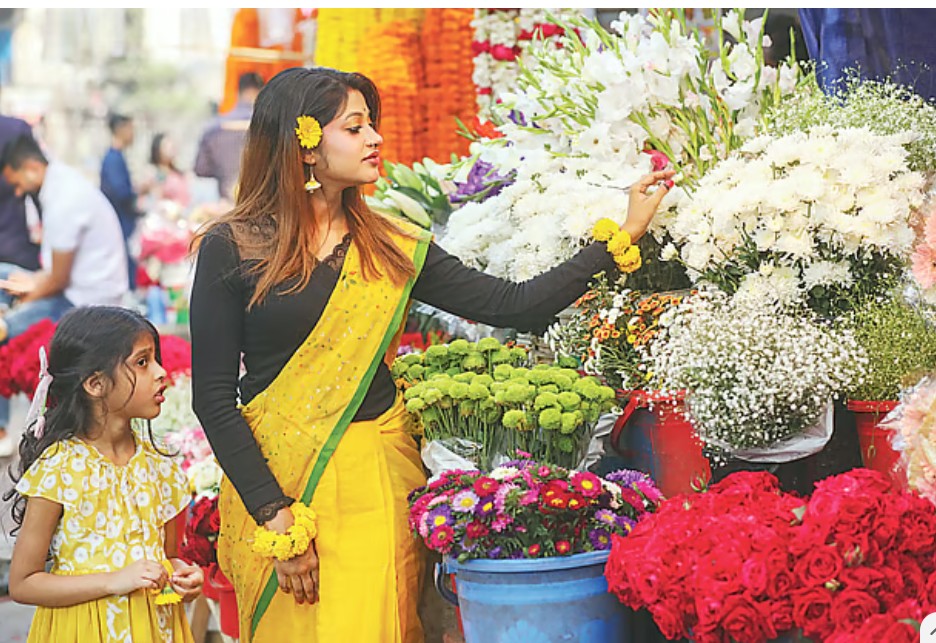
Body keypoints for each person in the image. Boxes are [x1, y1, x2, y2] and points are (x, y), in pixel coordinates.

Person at [189, 66, 673, 643]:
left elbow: (515, 306)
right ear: (306, 145)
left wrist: (621, 235)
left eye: (372, 125)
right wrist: (277, 518)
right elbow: (213, 397)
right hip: (280, 488)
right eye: (355, 127)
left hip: (377, 476)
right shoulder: (233, 246)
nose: (376, 140)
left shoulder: (391, 246)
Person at [4, 306, 203, 642]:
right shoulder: (59, 470)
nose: (160, 372)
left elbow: (170, 559)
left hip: (154, 630)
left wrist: (183, 578)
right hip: (80, 632)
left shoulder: (162, 469)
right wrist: (112, 581)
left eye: (156, 359)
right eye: (142, 362)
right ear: (95, 384)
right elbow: (23, 583)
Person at [0, 133, 129, 456]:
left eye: (17, 184)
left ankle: (1, 429)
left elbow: (57, 281)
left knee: (4, 327)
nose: (17, 192)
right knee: (4, 275)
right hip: (75, 285)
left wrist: (18, 308)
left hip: (84, 300)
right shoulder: (61, 185)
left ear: (31, 167)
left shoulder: (64, 200)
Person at [193, 72, 264, 203]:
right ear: (260, 93)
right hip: (259, 204)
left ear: (238, 92)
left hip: (226, 204)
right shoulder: (268, 128)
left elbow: (201, 169)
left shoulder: (214, 127)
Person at [101, 112, 148, 290]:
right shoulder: (113, 159)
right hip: (119, 222)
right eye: (131, 129)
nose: (133, 134)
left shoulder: (117, 157)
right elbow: (122, 193)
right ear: (121, 130)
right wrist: (140, 190)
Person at [0, 114, 39, 272]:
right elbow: (37, 181)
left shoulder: (15, 130)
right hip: (15, 246)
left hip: (15, 248)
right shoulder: (15, 129)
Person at [149, 132, 191, 209]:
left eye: (171, 144)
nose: (171, 147)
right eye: (166, 145)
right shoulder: (156, 173)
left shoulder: (179, 174)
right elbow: (156, 199)